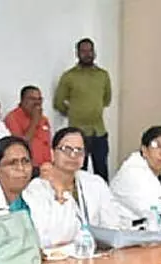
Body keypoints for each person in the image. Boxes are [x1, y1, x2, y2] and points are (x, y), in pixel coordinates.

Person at [23, 127, 130, 254]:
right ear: (52, 153)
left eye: (79, 151)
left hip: (98, 257)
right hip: (59, 263)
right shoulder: (36, 190)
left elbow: (112, 225)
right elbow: (44, 238)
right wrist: (60, 193)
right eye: (66, 149)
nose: (73, 155)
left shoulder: (95, 183)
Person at [54, 38, 113, 180]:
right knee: (79, 171)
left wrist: (92, 108)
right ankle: (79, 201)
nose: (87, 54)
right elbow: (58, 102)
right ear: (77, 53)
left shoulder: (103, 75)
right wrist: (75, 112)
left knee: (102, 171)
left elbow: (107, 99)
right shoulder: (69, 76)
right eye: (84, 51)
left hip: (99, 131)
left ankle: (104, 201)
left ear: (95, 53)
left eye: (90, 51)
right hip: (77, 133)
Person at [5, 85, 53, 171]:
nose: (37, 102)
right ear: (22, 100)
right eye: (32, 99)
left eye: (39, 99)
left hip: (46, 168)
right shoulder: (12, 118)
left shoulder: (44, 119)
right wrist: (35, 121)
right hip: (26, 169)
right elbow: (20, 145)